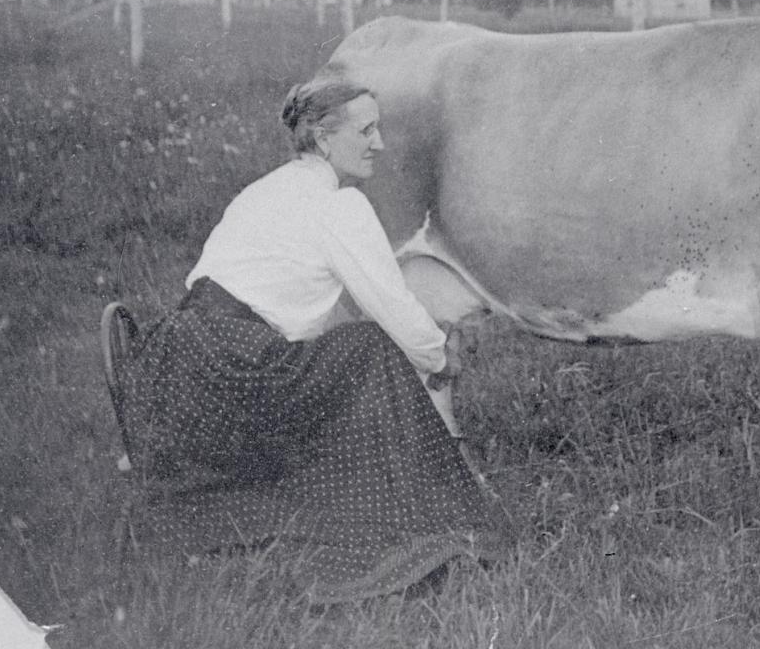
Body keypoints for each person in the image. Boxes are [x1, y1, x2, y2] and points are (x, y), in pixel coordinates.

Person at [119, 76, 511, 604]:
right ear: (324, 139)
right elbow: (391, 304)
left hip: (172, 364)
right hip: (231, 367)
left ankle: (334, 510)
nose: (380, 143)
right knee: (372, 351)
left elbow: (259, 300)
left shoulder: (268, 188)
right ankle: (414, 529)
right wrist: (439, 358)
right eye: (367, 130)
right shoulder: (339, 206)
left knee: (349, 356)